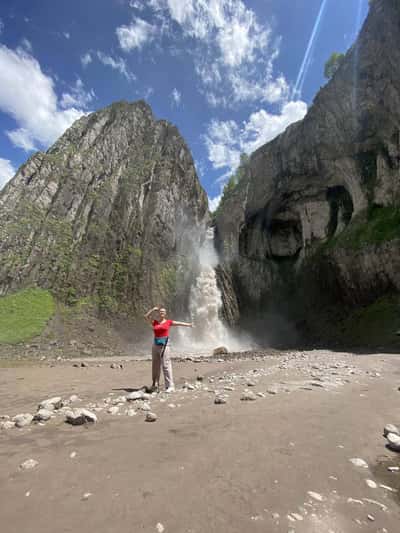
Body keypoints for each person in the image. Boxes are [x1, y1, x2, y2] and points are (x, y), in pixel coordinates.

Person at [144, 306, 192, 393]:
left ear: (165, 314)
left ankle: (170, 386)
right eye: (160, 312)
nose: (161, 313)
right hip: (155, 344)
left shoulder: (168, 322)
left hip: (165, 344)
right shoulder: (155, 322)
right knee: (155, 365)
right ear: (158, 313)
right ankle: (155, 385)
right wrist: (152, 310)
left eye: (163, 312)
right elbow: (146, 317)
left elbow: (179, 323)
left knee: (166, 365)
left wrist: (189, 325)